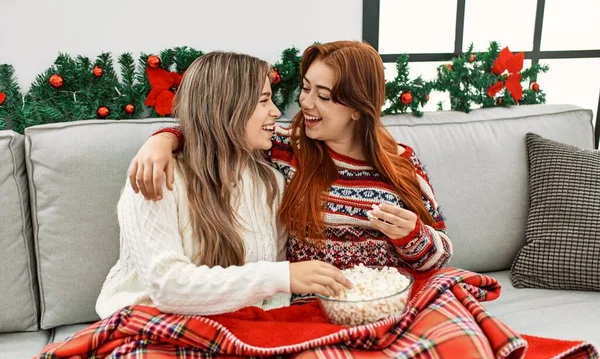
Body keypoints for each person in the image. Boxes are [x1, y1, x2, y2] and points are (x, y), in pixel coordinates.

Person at [128, 41, 453, 278]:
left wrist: (412, 235)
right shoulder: (286, 146)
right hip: (313, 307)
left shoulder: (401, 162)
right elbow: (221, 128)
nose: (306, 103)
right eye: (306, 88)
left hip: (388, 300)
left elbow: (440, 256)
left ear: (357, 108)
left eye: (323, 96)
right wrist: (164, 140)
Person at [96, 51, 352, 319]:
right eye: (264, 100)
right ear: (227, 108)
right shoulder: (156, 175)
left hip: (240, 329)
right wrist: (281, 276)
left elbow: (274, 298)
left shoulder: (271, 184)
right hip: (150, 325)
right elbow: (168, 287)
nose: (276, 112)